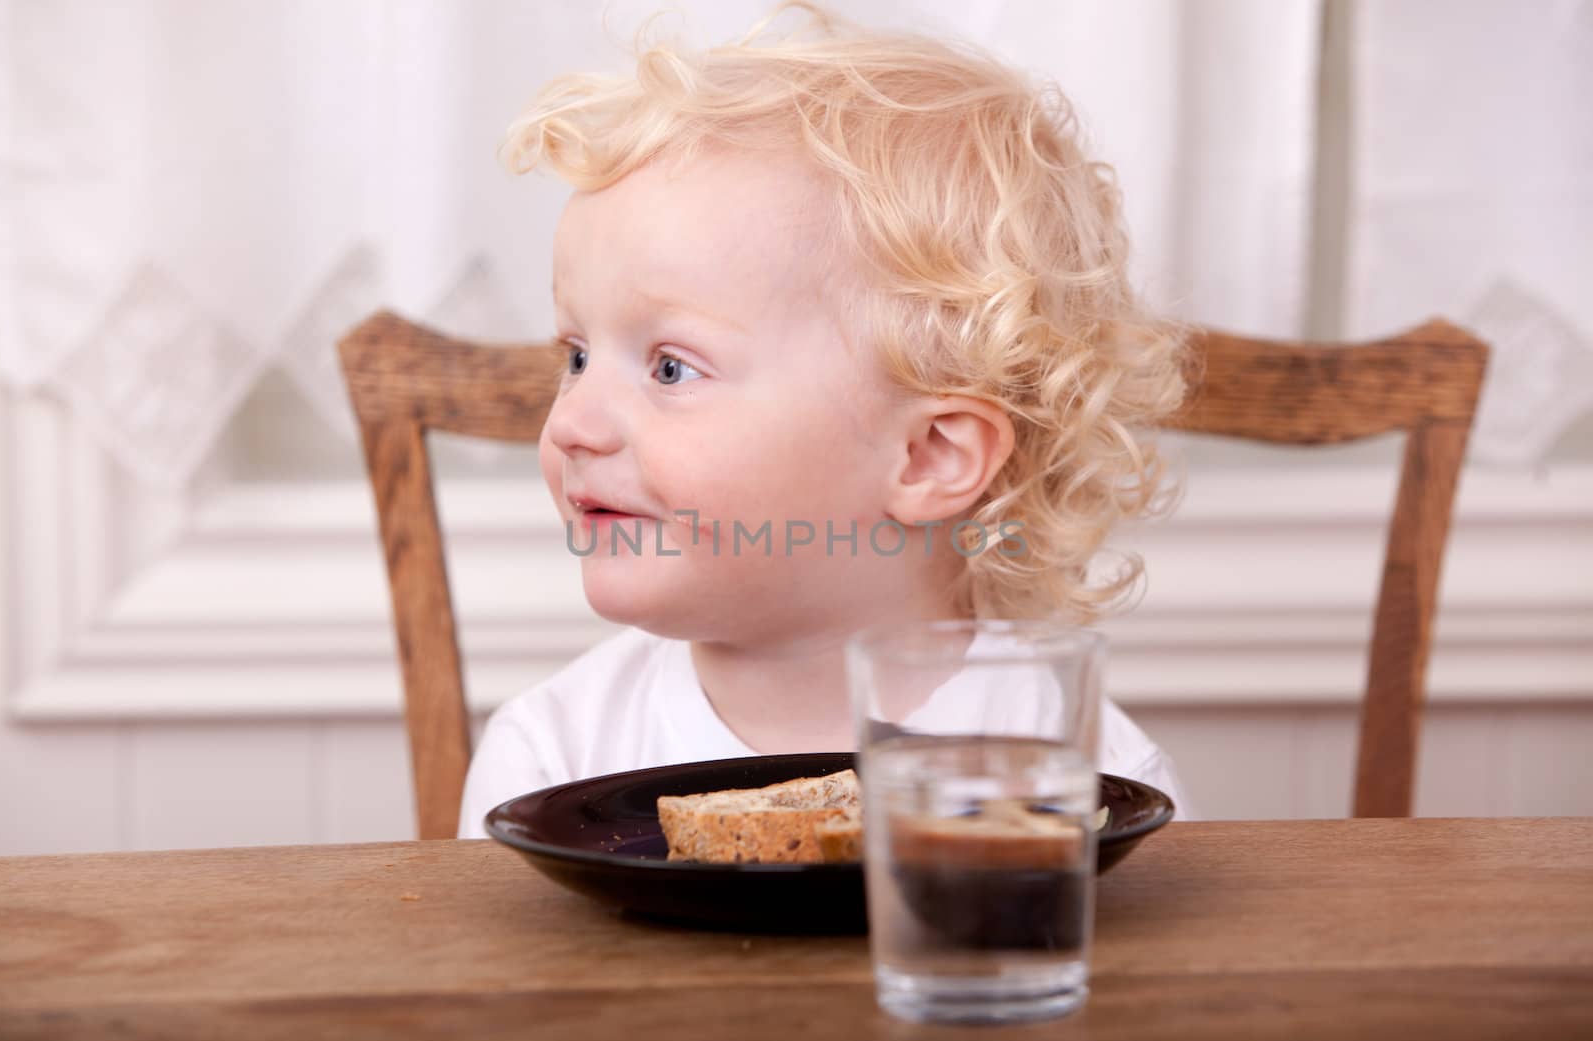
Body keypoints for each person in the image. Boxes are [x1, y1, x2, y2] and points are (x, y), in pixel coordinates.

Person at [458, 3, 1192, 837]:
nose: (574, 423)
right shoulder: (549, 768)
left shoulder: (1086, 780)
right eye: (578, 355)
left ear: (929, 454)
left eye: (670, 367)